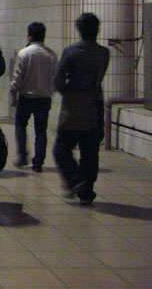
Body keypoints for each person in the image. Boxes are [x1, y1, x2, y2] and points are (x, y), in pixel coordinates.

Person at [53, 13, 110, 205]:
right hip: (95, 104)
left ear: (79, 29)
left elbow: (58, 80)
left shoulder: (71, 51)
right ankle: (87, 191)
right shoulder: (104, 53)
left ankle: (76, 180)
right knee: (90, 150)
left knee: (61, 148)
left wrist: (68, 91)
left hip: (74, 106)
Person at [10, 22, 58, 171]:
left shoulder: (24, 53)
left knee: (20, 126)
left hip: (26, 97)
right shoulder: (51, 54)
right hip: (44, 98)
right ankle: (38, 162)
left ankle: (23, 156)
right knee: (41, 131)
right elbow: (55, 77)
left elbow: (17, 77)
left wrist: (13, 92)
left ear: (29, 35)